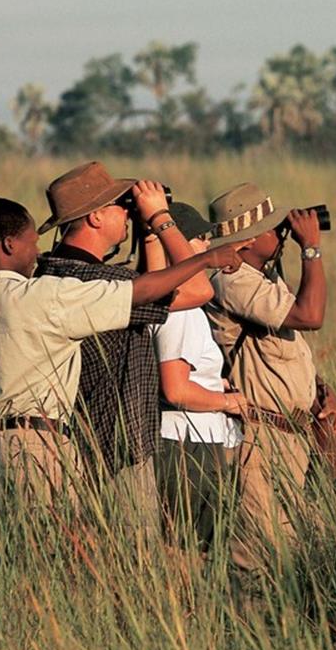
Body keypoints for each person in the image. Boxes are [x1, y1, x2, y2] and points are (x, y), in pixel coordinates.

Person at [0, 195, 244, 509]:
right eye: (31, 242)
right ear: (9, 245)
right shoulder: (42, 296)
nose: (37, 253)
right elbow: (148, 291)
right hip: (39, 443)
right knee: (54, 549)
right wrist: (198, 254)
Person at [32, 162, 218, 537]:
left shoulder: (51, 274)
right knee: (132, 566)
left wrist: (147, 237)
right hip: (118, 449)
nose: (128, 213)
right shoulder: (100, 280)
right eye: (121, 205)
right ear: (97, 216)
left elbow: (146, 286)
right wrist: (162, 219)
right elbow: (198, 288)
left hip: (66, 449)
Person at [203, 182, 336, 578]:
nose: (282, 231)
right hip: (263, 439)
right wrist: (311, 249)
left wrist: (321, 393)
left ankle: (283, 627)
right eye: (272, 227)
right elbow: (309, 316)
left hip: (292, 436)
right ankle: (247, 629)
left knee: (297, 547)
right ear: (245, 243)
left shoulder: (262, 276)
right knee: (259, 555)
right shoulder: (234, 281)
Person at [146, 203, 249, 551]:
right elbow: (175, 389)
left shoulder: (163, 300)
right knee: (190, 551)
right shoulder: (182, 311)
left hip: (184, 441)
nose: (207, 245)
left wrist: (212, 382)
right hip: (186, 444)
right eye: (201, 238)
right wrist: (228, 402)